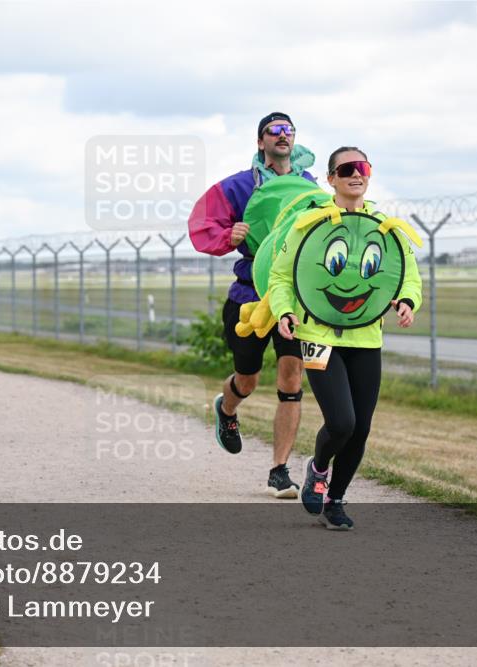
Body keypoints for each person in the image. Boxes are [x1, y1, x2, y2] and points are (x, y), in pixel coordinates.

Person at [269, 147, 423, 530]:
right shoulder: (308, 224)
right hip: (317, 335)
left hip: (367, 339)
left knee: (362, 428)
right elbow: (282, 277)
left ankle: (335, 499)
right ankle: (318, 469)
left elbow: (407, 276)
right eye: (347, 169)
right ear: (331, 179)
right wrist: (284, 310)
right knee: (342, 422)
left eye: (363, 167)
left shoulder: (385, 228)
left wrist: (407, 300)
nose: (357, 174)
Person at [188, 111, 316, 498]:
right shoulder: (239, 186)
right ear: (261, 142)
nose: (282, 136)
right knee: (247, 379)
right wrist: (230, 234)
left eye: (288, 130)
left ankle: (279, 470)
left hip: (292, 299)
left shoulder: (309, 187)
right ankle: (226, 410)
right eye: (273, 131)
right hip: (249, 297)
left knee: (291, 380)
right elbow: (201, 225)